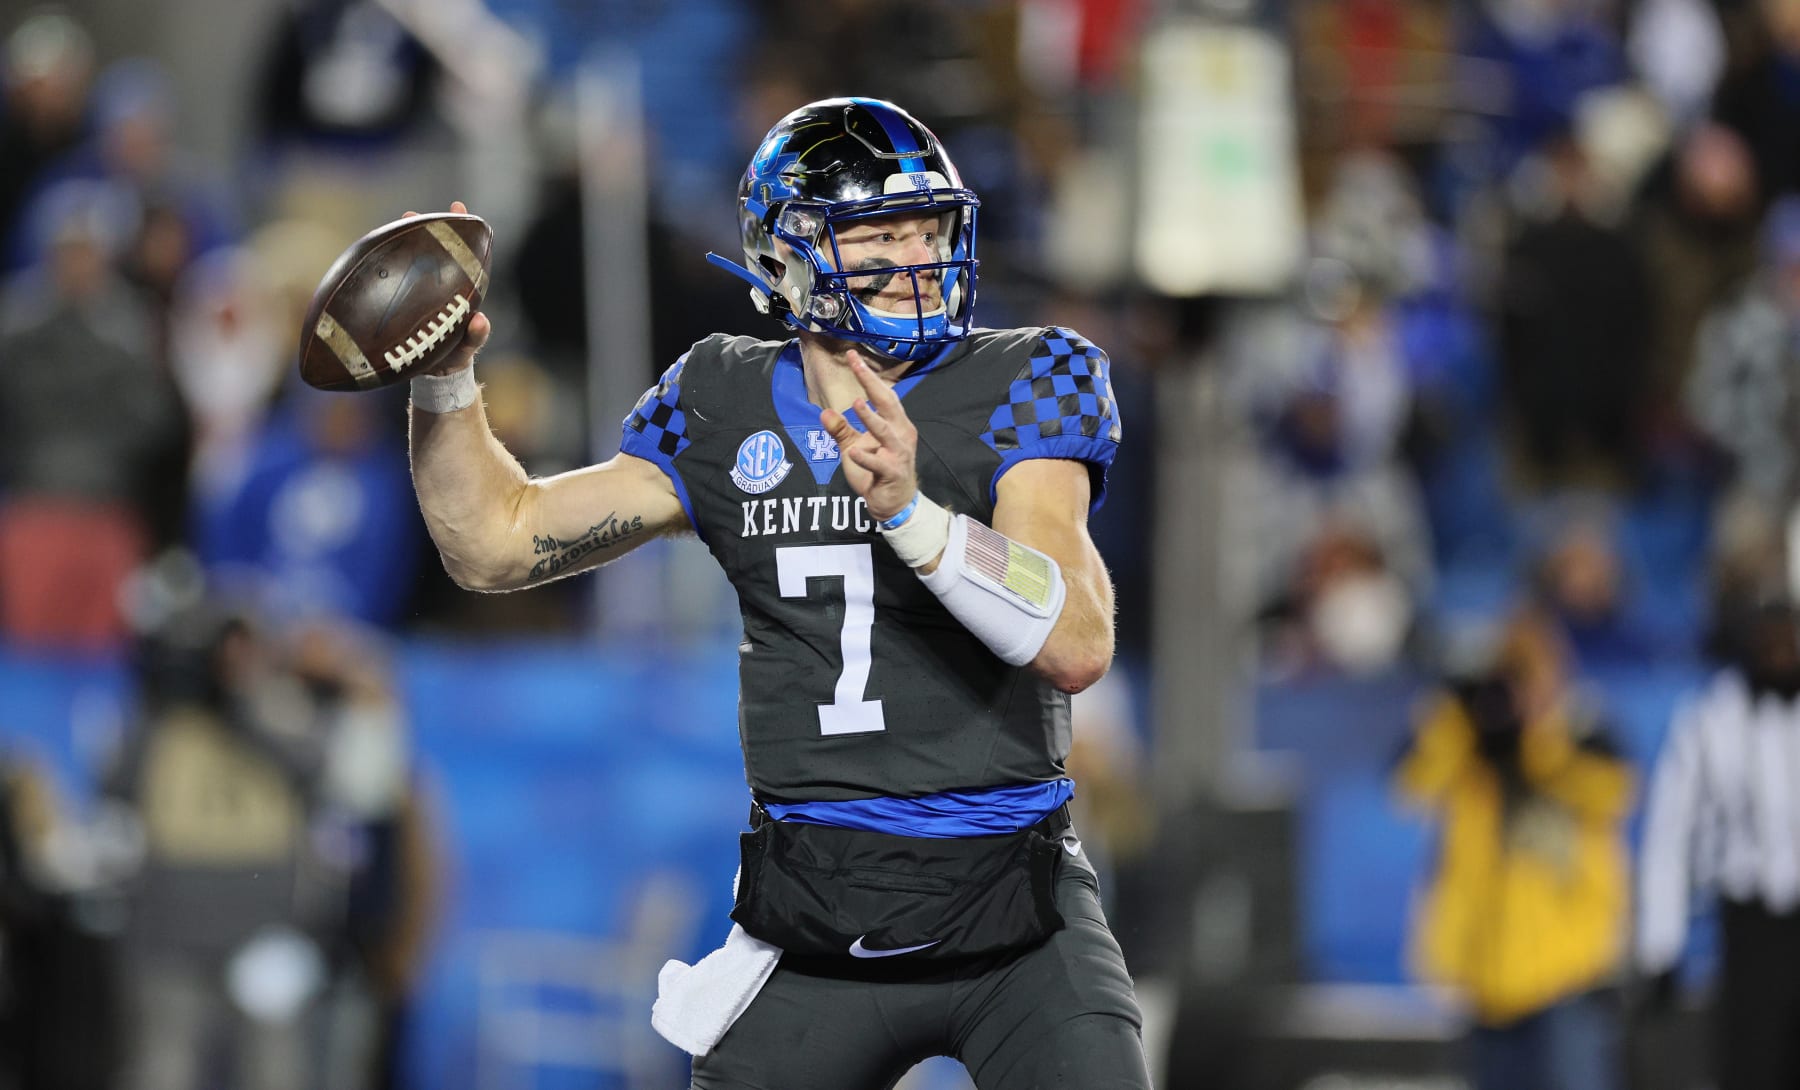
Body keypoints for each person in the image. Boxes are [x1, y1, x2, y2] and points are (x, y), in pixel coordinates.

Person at [398, 97, 1149, 1088]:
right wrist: (446, 384)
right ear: (791, 256)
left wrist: (915, 516)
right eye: (881, 234)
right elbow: (493, 542)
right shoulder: (720, 397)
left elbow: (1078, 638)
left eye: (929, 227)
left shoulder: (1027, 375)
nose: (919, 256)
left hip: (1019, 907)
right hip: (819, 916)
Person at [1393, 612, 1634, 1090]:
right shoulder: (1468, 739)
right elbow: (1410, 789)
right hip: (1483, 968)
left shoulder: (1583, 728)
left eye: (1528, 678)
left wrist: (1539, 734)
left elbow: (1613, 792)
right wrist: (1456, 716)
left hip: (1569, 967)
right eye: (1507, 679)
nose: (1515, 695)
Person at [1637, 595, 1800, 1090]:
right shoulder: (1709, 721)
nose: (1780, 656)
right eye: (1769, 645)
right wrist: (1660, 945)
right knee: (1752, 1062)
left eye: (1790, 645)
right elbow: (1669, 835)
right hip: (1748, 921)